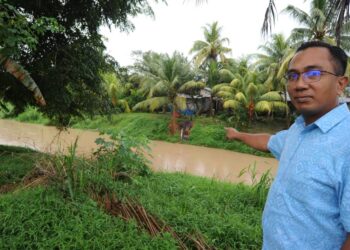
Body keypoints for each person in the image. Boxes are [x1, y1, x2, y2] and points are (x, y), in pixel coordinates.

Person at [225, 41, 350, 249]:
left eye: (313, 74)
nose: (299, 84)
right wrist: (237, 135)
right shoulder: (298, 130)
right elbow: (268, 141)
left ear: (340, 84)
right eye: (292, 76)